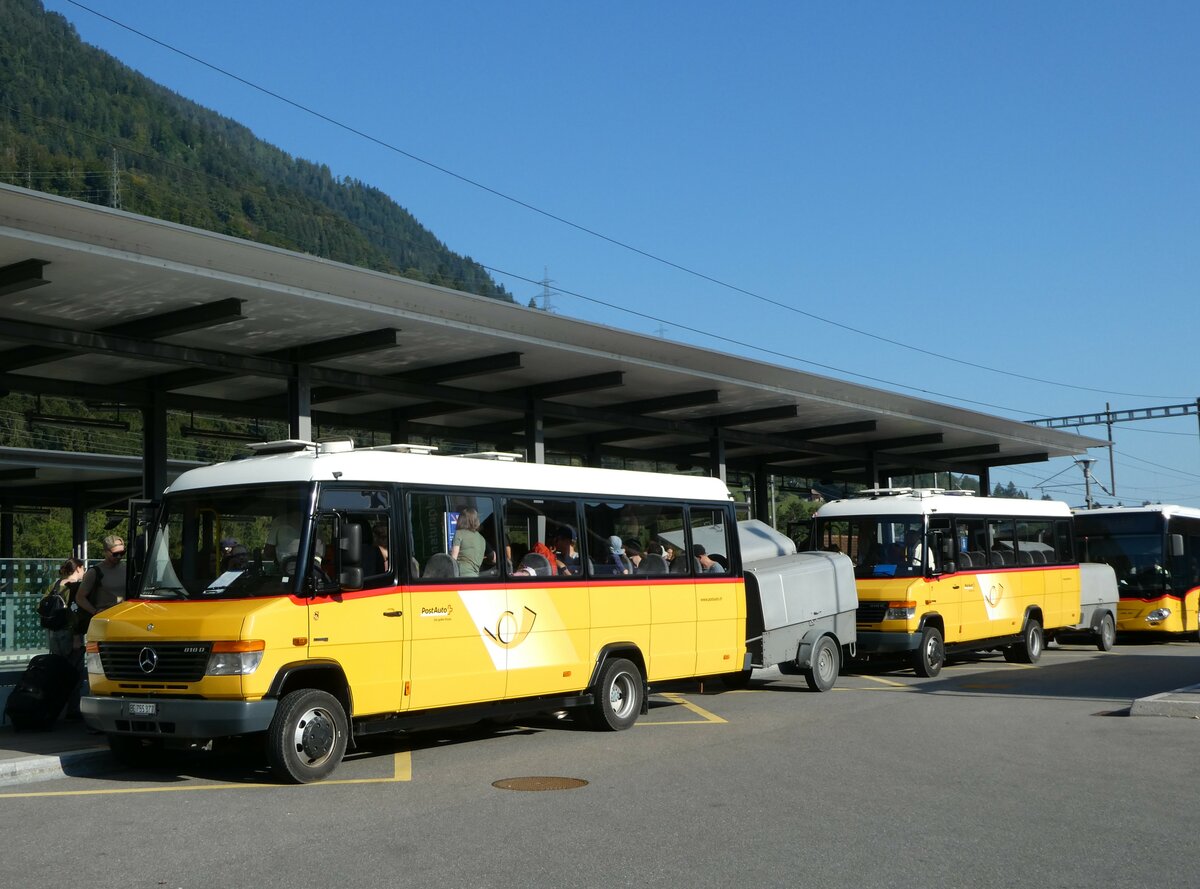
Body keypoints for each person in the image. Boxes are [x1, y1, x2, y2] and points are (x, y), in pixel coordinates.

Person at [74, 535, 127, 634]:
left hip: (124, 619)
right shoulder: (95, 572)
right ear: (105, 552)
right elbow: (80, 598)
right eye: (115, 554)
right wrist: (95, 612)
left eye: (122, 553)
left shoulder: (127, 569)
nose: (119, 557)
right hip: (105, 621)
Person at [45, 557, 85, 658]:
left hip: (53, 632)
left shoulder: (55, 585)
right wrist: (76, 637)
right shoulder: (77, 586)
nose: (84, 571)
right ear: (78, 569)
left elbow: (41, 606)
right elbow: (74, 613)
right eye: (83, 569)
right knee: (73, 665)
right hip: (70, 632)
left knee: (57, 664)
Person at [450, 507, 485, 577]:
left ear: (461, 520)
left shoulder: (459, 533)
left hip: (461, 576)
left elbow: (453, 560)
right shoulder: (482, 539)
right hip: (475, 577)